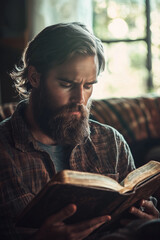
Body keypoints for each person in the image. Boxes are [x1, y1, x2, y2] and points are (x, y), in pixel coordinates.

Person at [0, 22, 159, 240]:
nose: (80, 100)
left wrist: (151, 224)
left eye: (88, 86)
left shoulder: (111, 142)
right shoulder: (3, 150)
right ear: (34, 77)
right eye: (67, 84)